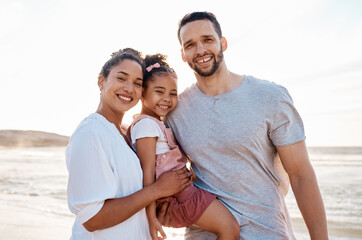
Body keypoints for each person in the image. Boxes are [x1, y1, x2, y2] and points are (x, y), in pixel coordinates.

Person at [158, 12, 329, 239]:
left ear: (223, 43)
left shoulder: (270, 96)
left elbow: (301, 175)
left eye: (207, 40)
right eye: (190, 45)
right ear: (183, 54)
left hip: (266, 232)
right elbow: (167, 169)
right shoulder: (175, 111)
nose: (200, 50)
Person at [65, 48, 191, 240]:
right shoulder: (90, 133)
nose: (129, 88)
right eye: (121, 78)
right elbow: (92, 218)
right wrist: (157, 190)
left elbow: (134, 195)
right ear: (101, 81)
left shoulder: (128, 132)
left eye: (137, 83)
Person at [126, 53, 240, 240]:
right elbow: (147, 173)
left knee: (229, 227)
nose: (167, 99)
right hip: (181, 196)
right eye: (159, 91)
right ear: (142, 93)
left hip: (182, 193)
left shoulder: (155, 123)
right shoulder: (146, 126)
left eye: (172, 93)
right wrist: (150, 217)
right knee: (230, 229)